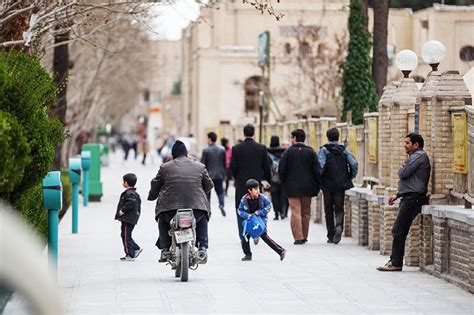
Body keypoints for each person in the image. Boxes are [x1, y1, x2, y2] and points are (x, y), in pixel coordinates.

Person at [148, 140, 214, 262]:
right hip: (196, 209)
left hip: (170, 210)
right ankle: (203, 247)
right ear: (186, 153)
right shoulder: (200, 166)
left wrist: (152, 195)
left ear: (173, 155)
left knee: (162, 219)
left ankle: (165, 250)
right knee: (203, 218)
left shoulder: (165, 167)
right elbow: (209, 185)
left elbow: (155, 184)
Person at [377, 133, 430, 271]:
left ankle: (396, 263)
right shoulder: (413, 157)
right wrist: (397, 194)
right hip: (409, 196)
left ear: (416, 145)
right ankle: (395, 261)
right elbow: (409, 179)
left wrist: (403, 166)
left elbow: (402, 173)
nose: (404, 145)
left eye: (407, 143)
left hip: (414, 198)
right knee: (399, 230)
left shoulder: (419, 156)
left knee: (398, 230)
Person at [231, 124, 272, 261]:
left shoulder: (236, 149)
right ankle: (257, 232)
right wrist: (266, 181)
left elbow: (233, 169)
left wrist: (238, 180)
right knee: (259, 211)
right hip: (256, 189)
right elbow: (267, 167)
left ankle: (247, 251)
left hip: (242, 188)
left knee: (241, 216)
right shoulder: (261, 148)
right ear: (254, 133)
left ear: (244, 133)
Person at [278, 129, 321, 245]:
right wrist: (316, 185)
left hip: (292, 188)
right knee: (306, 212)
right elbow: (317, 170)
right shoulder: (311, 152)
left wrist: (284, 182)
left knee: (295, 211)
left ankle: (298, 237)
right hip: (308, 188)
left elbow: (281, 170)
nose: (291, 140)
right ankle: (305, 236)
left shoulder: (288, 152)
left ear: (295, 138)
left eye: (291, 137)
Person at [318, 128, 358, 244]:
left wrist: (319, 178)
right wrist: (350, 176)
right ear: (338, 137)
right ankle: (339, 226)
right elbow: (354, 163)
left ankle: (331, 235)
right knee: (339, 207)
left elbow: (320, 166)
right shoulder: (344, 149)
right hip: (341, 184)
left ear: (327, 137)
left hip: (327, 184)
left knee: (328, 209)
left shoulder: (324, 150)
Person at [238, 179, 286, 261]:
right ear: (249, 190)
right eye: (255, 189)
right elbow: (240, 210)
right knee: (245, 237)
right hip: (250, 223)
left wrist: (260, 212)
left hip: (261, 221)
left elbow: (268, 206)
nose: (258, 191)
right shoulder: (244, 199)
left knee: (266, 238)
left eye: (258, 189)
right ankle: (248, 254)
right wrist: (247, 215)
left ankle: (281, 251)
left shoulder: (262, 198)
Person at [115, 173, 142, 261]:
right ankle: (135, 248)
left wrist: (122, 210)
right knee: (125, 235)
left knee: (126, 236)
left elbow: (131, 203)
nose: (122, 183)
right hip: (129, 218)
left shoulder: (130, 193)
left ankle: (130, 254)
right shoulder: (132, 193)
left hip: (128, 218)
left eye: (123, 181)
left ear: (126, 183)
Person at [201, 132, 227, 216]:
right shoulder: (222, 149)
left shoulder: (206, 150)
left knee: (207, 193)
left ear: (209, 139)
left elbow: (203, 164)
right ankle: (221, 204)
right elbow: (224, 163)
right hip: (219, 174)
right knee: (220, 191)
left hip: (208, 175)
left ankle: (208, 210)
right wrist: (224, 174)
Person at [267, 135, 286, 220]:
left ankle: (276, 213)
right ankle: (283, 211)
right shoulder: (284, 151)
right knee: (282, 195)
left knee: (274, 195)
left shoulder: (267, 152)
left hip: (272, 177)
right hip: (282, 176)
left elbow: (266, 165)